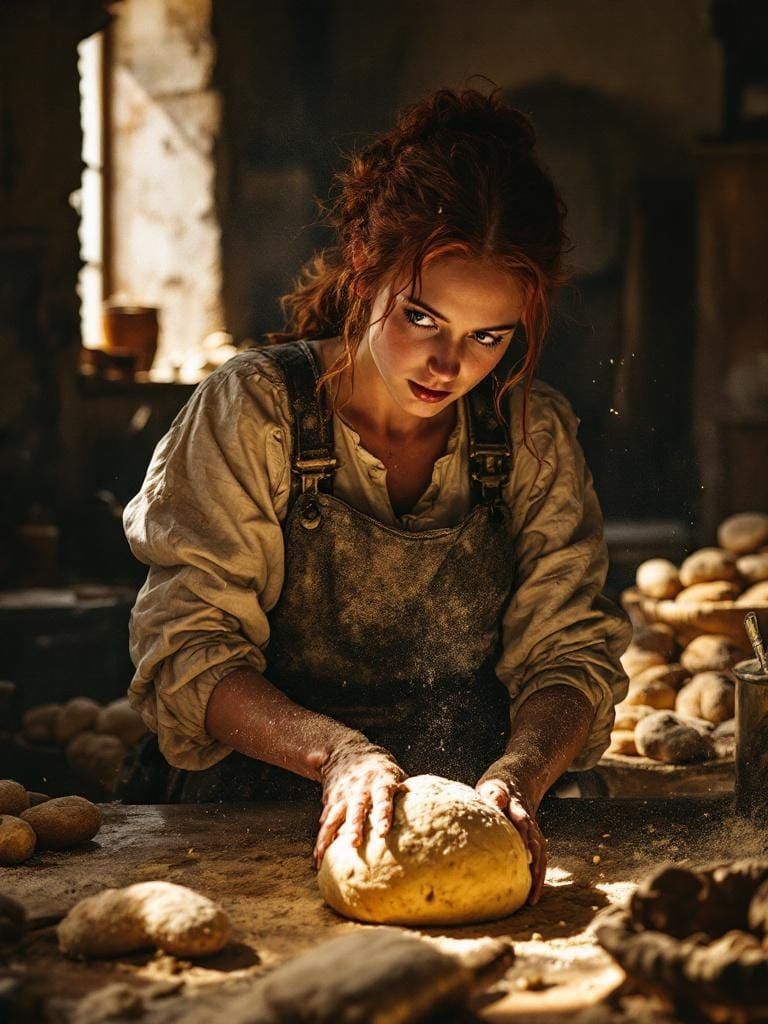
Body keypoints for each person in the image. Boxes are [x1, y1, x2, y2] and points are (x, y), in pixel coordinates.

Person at [122, 87, 631, 905]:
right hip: (248, 813)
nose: (448, 364)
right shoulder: (256, 412)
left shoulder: (528, 434)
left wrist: (522, 775)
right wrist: (339, 757)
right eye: (422, 317)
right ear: (367, 274)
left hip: (479, 808)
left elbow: (568, 651)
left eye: (488, 337)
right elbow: (189, 650)